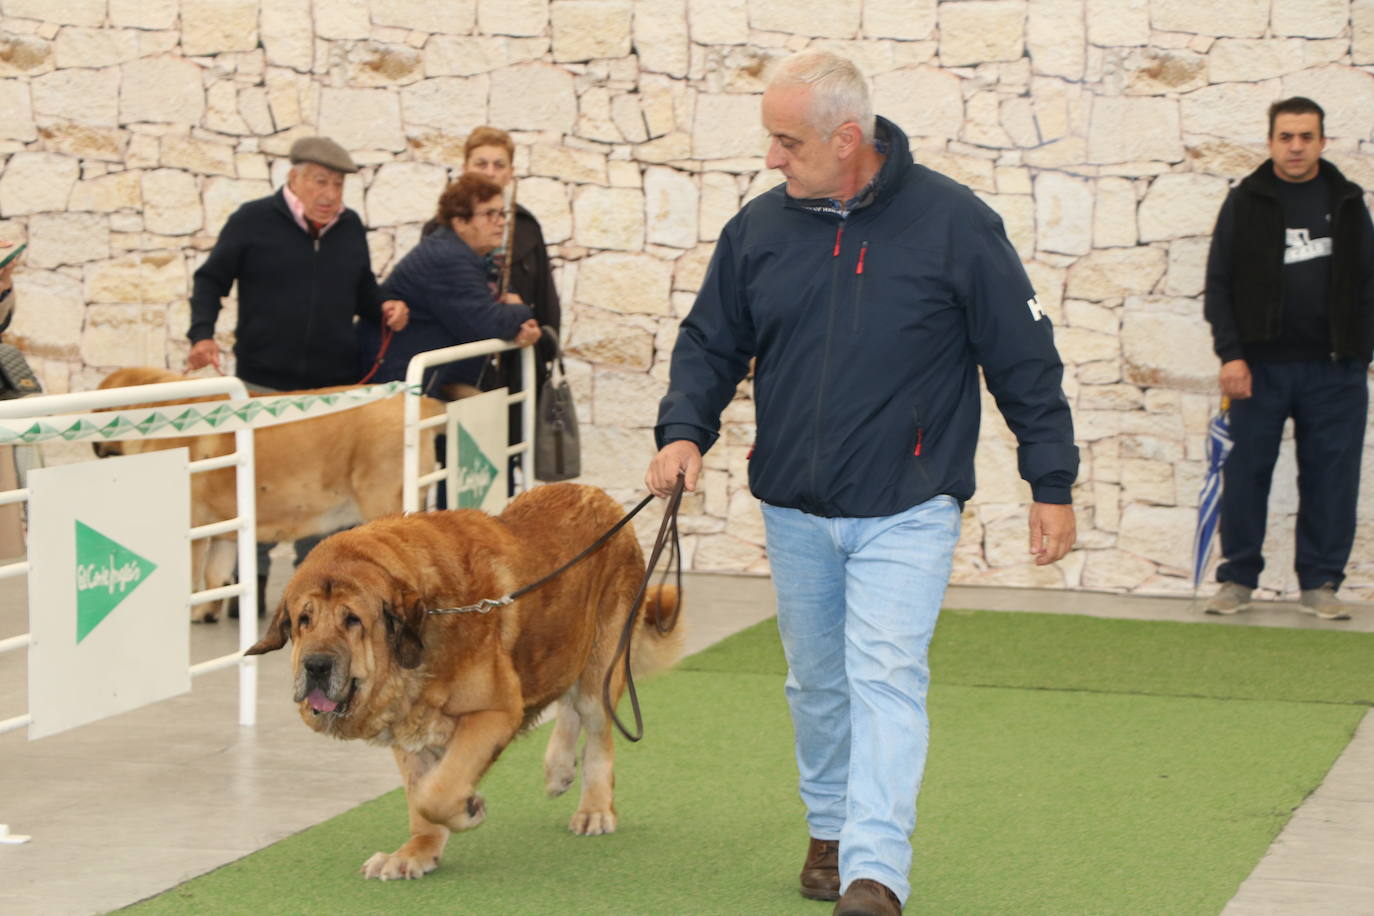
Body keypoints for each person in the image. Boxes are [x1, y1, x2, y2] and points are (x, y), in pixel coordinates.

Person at [645, 51, 1078, 916]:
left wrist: (1050, 479)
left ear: (848, 139)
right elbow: (709, 342)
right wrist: (684, 430)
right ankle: (832, 827)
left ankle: (874, 873)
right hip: (796, 509)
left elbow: (1023, 357)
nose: (772, 158)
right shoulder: (758, 231)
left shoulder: (956, 223)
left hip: (909, 504)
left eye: (786, 141)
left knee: (885, 674)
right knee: (817, 682)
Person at [185, 136, 410, 614]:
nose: (330, 194)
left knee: (324, 496)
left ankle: (320, 599)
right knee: (257, 491)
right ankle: (251, 599)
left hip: (331, 395)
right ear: (295, 179)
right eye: (320, 181)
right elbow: (210, 279)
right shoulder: (252, 221)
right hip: (264, 386)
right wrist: (202, 334)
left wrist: (383, 306)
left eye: (338, 184)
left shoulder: (349, 229)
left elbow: (361, 290)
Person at [1202, 97, 1373, 621]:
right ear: (1271, 141)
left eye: (1305, 136)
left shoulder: (1346, 200)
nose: (1295, 146)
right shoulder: (1246, 201)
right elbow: (1219, 284)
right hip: (1259, 369)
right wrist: (1232, 355)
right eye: (1285, 137)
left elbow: (1367, 281)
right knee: (1248, 472)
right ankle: (1238, 578)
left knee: (1332, 477)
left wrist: (1361, 352)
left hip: (1335, 370)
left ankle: (1320, 582)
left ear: (1322, 141)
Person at [358, 173, 540, 398]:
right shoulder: (447, 257)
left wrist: (520, 319)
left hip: (426, 381)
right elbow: (488, 323)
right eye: (489, 214)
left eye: (502, 213)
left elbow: (494, 307)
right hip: (399, 387)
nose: (501, 222)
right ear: (460, 222)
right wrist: (522, 310)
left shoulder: (474, 256)